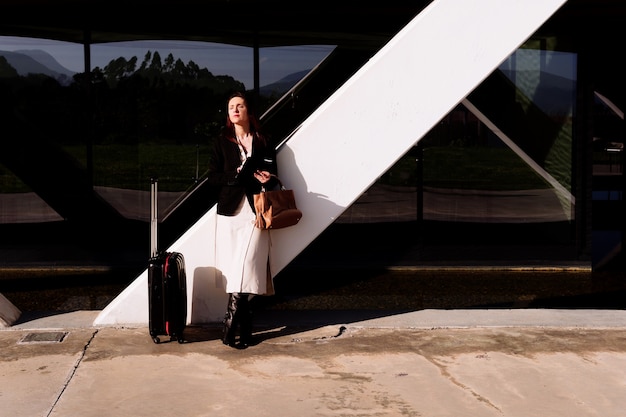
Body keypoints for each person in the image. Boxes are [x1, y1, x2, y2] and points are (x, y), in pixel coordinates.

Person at [207, 91, 278, 349]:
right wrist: (235, 175)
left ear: (249, 111)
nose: (235, 110)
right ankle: (245, 330)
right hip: (229, 213)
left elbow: (274, 171)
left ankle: (228, 327)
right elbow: (211, 177)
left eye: (239, 106)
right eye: (230, 107)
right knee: (237, 271)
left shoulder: (263, 140)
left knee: (246, 267)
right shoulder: (221, 142)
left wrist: (267, 178)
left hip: (255, 212)